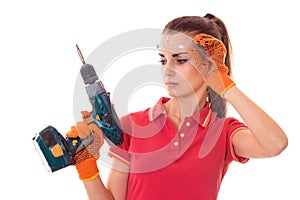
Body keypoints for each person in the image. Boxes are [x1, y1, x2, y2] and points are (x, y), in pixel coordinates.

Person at [66, 13, 288, 200]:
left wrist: (224, 85)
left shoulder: (223, 132)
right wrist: (87, 168)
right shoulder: (134, 125)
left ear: (210, 65)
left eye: (180, 60)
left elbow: (275, 144)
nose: (167, 70)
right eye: (163, 60)